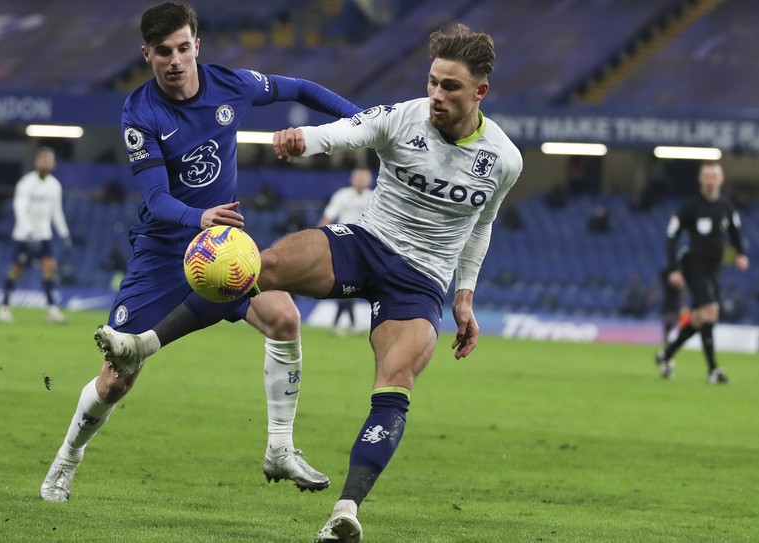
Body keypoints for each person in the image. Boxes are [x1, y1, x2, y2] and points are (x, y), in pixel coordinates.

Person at [96, 23, 521, 542]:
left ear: (480, 91)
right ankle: (142, 343)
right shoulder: (404, 117)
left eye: (450, 87)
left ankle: (345, 510)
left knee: (394, 385)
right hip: (365, 242)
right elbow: (351, 130)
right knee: (255, 266)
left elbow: (483, 225)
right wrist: (305, 141)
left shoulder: (504, 159)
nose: (436, 94)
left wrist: (465, 295)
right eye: (432, 81)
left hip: (422, 279)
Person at [39, 1, 361, 503]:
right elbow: (156, 199)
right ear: (147, 53)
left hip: (222, 250)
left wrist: (365, 123)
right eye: (163, 51)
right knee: (117, 380)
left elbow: (300, 89)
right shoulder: (140, 112)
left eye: (183, 48)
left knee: (284, 319)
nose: (175, 60)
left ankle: (280, 448)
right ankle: (67, 458)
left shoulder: (232, 85)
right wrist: (200, 217)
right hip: (164, 252)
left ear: (197, 45)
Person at [655, 162, 749, 384]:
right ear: (700, 179)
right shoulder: (690, 207)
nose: (709, 181)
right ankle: (713, 371)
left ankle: (666, 355)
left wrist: (740, 254)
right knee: (710, 312)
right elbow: (671, 237)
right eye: (706, 176)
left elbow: (735, 232)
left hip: (715, 269)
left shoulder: (726, 206)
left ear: (721, 179)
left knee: (700, 319)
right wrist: (674, 268)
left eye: (713, 176)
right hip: (694, 268)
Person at [0, 147, 71, 324]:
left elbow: (56, 212)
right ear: (36, 162)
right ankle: (4, 308)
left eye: (48, 160)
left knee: (50, 268)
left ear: (54, 164)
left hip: (44, 234)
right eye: (42, 159)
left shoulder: (54, 185)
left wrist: (64, 233)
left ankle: (52, 310)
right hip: (24, 235)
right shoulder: (26, 183)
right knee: (16, 270)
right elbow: (19, 207)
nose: (45, 163)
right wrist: (28, 231)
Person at [318, 168, 374, 335]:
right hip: (344, 243)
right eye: (358, 177)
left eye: (364, 178)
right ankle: (349, 325)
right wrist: (318, 237)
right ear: (352, 179)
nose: (361, 180)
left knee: (352, 285)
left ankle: (339, 324)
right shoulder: (342, 195)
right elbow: (328, 217)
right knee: (348, 282)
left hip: (365, 245)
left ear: (369, 181)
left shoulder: (374, 197)